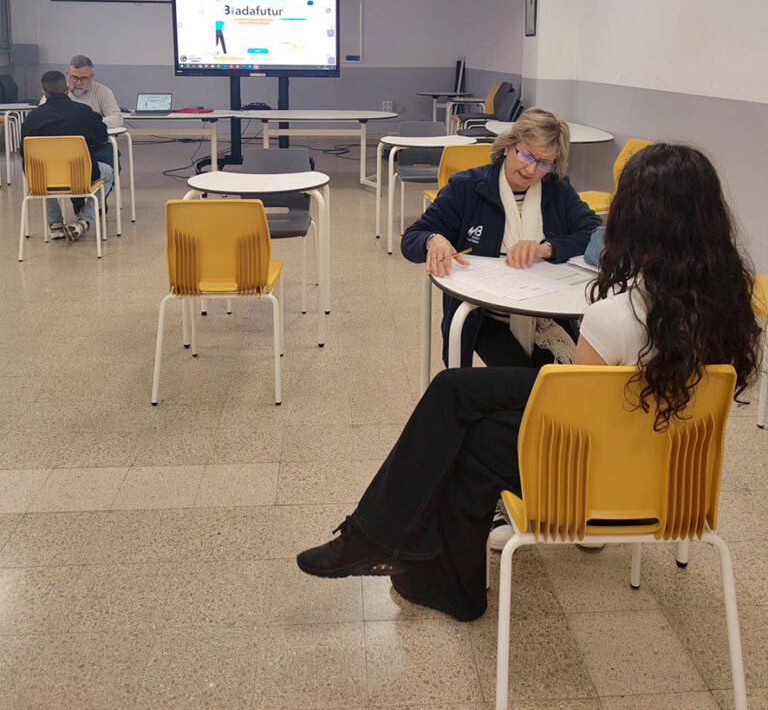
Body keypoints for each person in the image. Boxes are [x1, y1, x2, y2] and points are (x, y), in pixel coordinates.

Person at [297, 143, 761, 621]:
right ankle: (382, 543)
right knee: (454, 389)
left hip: (595, 470)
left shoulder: (615, 316)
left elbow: (574, 423)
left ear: (635, 218)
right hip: (676, 471)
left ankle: (404, 557)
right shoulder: (731, 306)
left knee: (465, 433)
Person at [401, 108, 601, 369]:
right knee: (529, 380)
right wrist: (432, 239)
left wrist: (547, 248)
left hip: (547, 314)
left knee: (572, 377)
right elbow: (412, 238)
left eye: (544, 163)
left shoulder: (557, 189)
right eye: (526, 155)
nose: (531, 169)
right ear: (509, 145)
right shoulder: (466, 188)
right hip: (485, 315)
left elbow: (593, 234)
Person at [20, 70, 114, 241]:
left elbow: (23, 151)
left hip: (41, 179)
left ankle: (55, 224)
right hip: (81, 175)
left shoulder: (32, 118)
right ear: (67, 89)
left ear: (44, 92)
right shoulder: (84, 112)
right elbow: (101, 136)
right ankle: (84, 220)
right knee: (109, 173)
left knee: (43, 171)